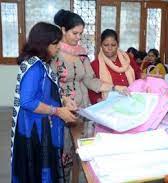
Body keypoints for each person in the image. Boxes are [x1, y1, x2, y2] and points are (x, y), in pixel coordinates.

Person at [51, 9, 128, 181]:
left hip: (83, 111)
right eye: (75, 33)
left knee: (85, 152)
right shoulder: (54, 54)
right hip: (63, 112)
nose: (78, 37)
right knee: (64, 155)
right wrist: (62, 101)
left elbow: (91, 80)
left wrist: (115, 87)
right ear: (63, 30)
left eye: (81, 33)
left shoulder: (82, 54)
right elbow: (50, 85)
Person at [11, 22, 77, 183]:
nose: (58, 48)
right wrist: (58, 111)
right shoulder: (35, 67)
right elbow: (27, 102)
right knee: (39, 171)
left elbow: (45, 93)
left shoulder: (41, 64)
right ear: (43, 44)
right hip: (35, 130)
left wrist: (64, 100)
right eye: (55, 44)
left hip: (42, 125)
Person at [88, 29, 141, 104]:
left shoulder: (127, 58)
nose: (109, 48)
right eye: (106, 45)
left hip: (131, 100)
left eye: (113, 45)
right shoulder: (95, 65)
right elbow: (92, 89)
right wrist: (99, 100)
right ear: (101, 45)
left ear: (118, 44)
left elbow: (138, 74)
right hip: (109, 105)